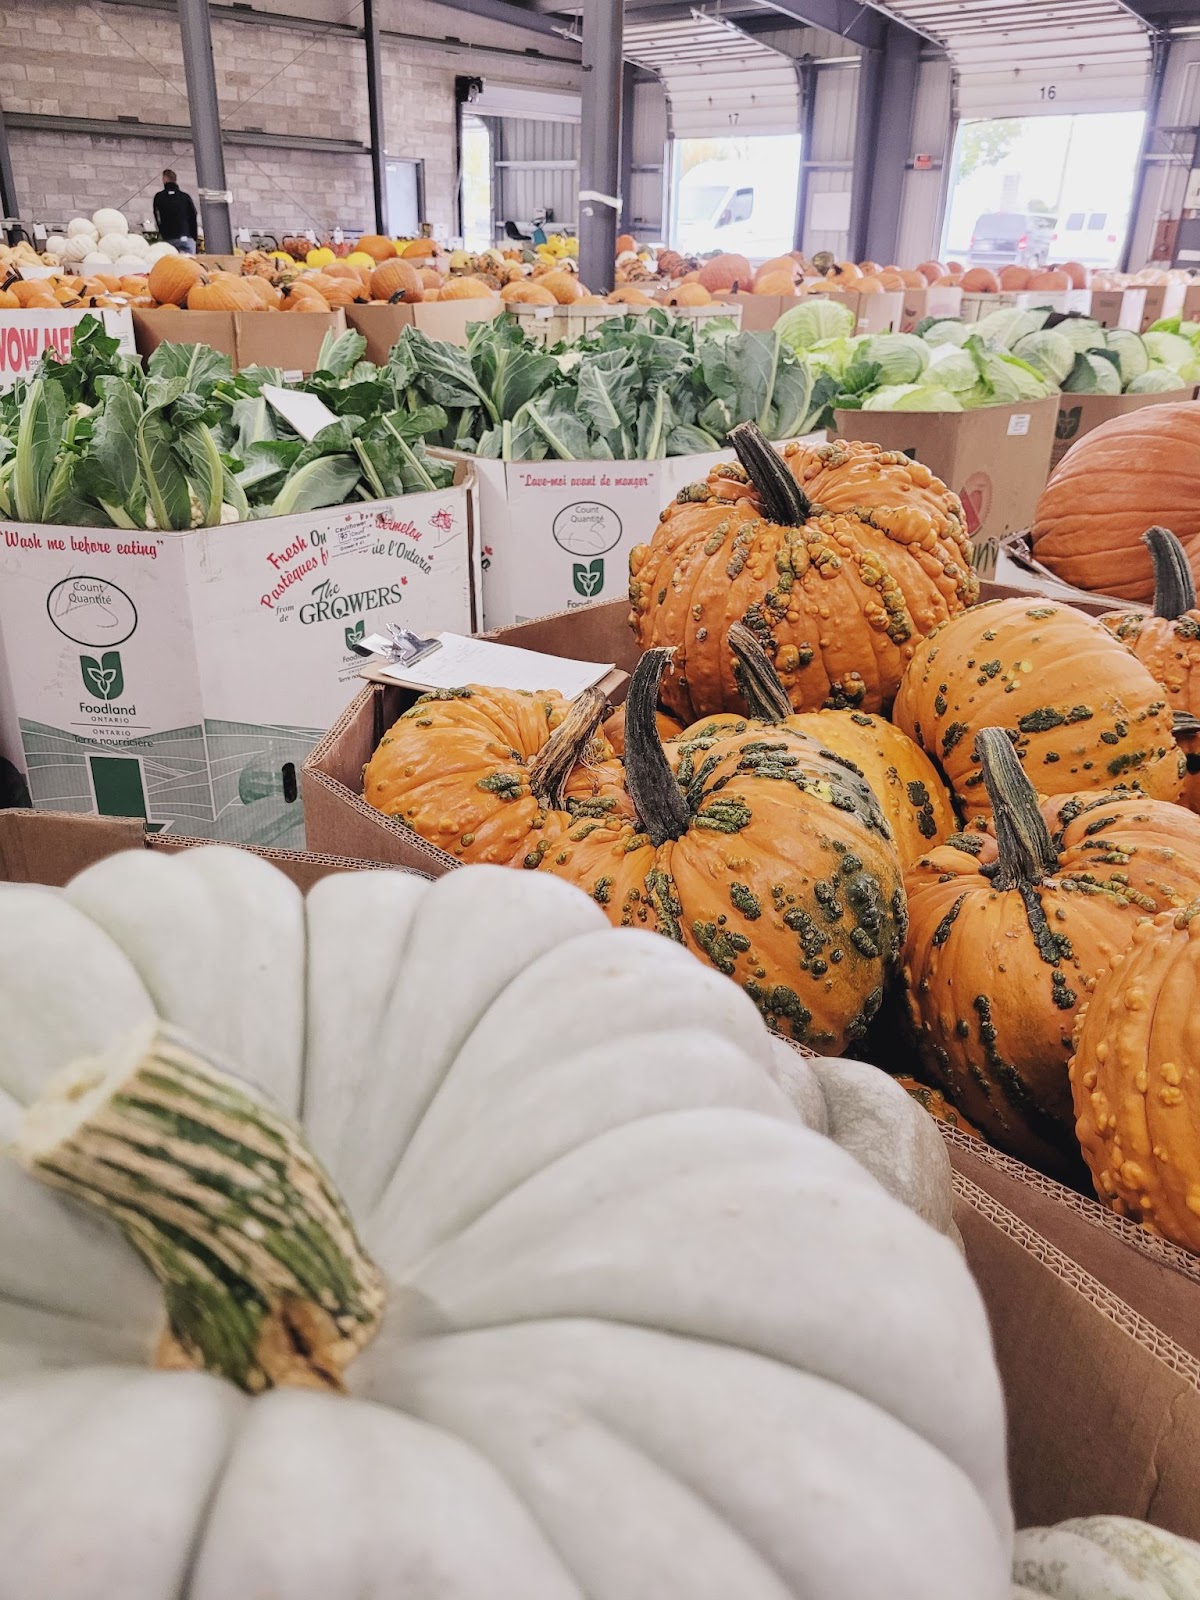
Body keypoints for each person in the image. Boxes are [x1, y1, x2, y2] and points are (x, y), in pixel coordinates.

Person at [153, 170, 199, 253]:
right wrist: (193, 236)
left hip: (169, 238)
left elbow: (157, 216)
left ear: (164, 179)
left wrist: (162, 233)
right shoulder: (185, 197)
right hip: (186, 236)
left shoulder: (159, 197)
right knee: (189, 263)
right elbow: (193, 215)